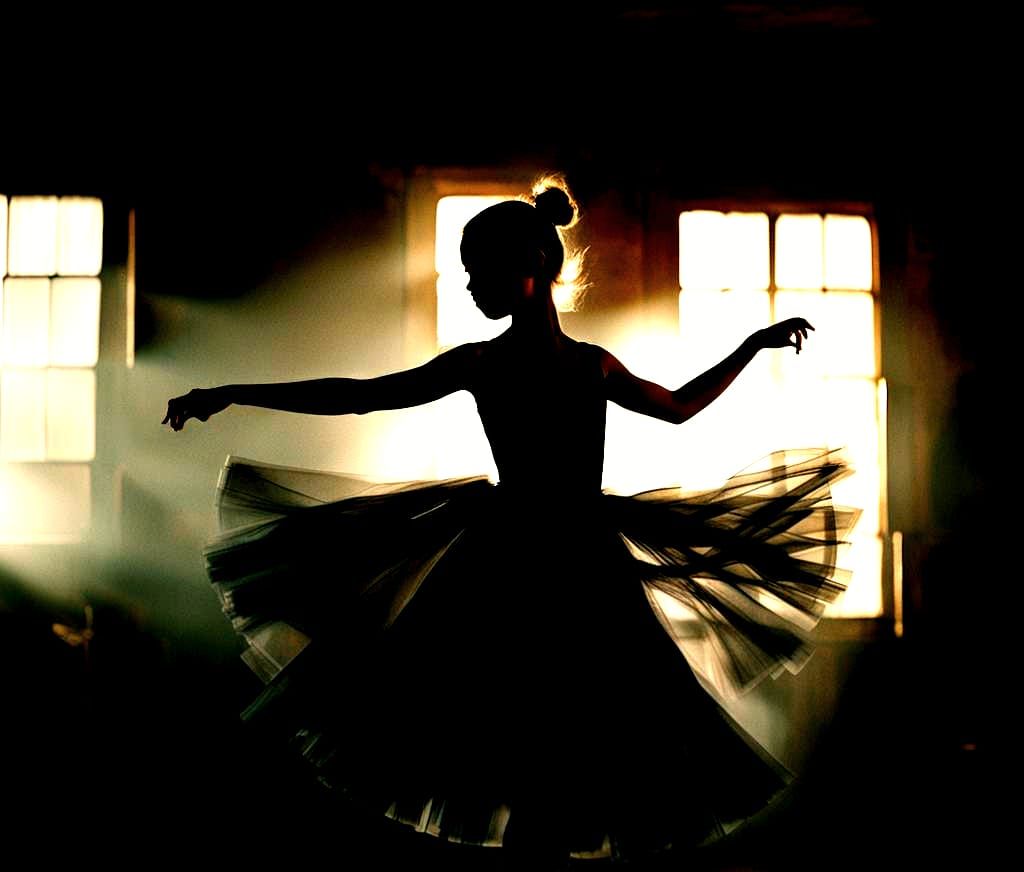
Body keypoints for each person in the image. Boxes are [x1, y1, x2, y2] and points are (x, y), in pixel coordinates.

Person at [164, 178, 857, 866]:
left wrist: (751, 345)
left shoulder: (582, 366)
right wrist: (233, 392)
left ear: (532, 266)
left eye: (480, 271)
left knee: (571, 749)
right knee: (521, 745)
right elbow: (362, 396)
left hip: (573, 570)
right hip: (517, 567)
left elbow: (677, 407)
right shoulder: (491, 363)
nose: (470, 286)